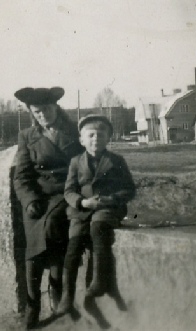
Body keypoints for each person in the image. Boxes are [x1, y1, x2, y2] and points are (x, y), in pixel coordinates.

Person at [13, 86, 84, 329]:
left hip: (67, 193)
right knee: (34, 240)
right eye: (37, 111)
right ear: (32, 112)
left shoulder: (75, 132)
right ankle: (33, 305)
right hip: (38, 199)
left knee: (52, 225)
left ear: (56, 108)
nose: (42, 115)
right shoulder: (27, 136)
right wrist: (30, 200)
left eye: (46, 109)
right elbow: (22, 176)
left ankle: (56, 291)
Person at [56, 114, 136, 315]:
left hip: (107, 208)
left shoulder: (116, 161)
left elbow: (129, 189)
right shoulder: (76, 162)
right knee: (74, 244)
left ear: (108, 138)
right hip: (82, 209)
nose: (95, 139)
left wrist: (108, 200)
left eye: (101, 135)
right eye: (90, 135)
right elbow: (69, 190)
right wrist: (81, 202)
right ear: (82, 140)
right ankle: (67, 296)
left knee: (98, 227)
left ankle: (99, 281)